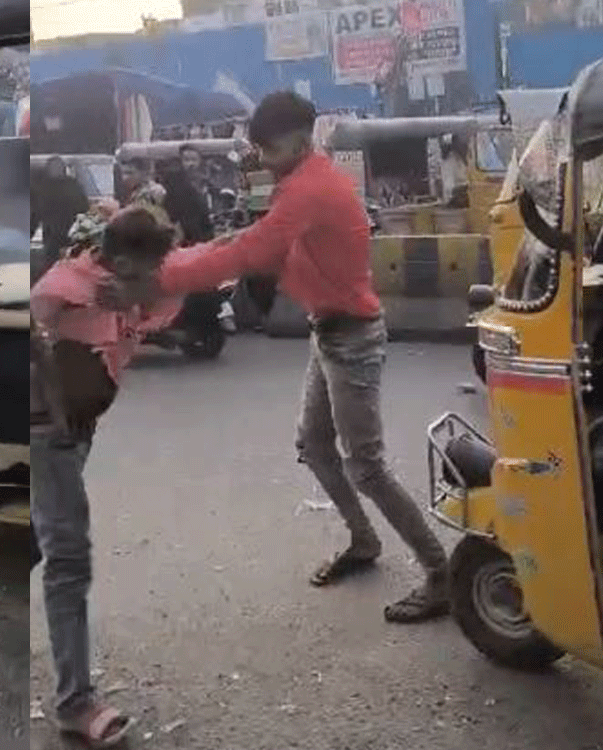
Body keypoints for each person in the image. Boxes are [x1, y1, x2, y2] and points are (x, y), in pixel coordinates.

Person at [108, 92, 451, 623]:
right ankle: (364, 542)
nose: (259, 158)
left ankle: (441, 573)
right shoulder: (302, 181)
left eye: (264, 148)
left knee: (367, 466)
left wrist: (157, 280)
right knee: (314, 445)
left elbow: (252, 254)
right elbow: (248, 240)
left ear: (294, 141)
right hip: (330, 331)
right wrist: (172, 262)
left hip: (351, 337)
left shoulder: (310, 188)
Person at [31, 206, 183, 748]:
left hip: (78, 429)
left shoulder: (137, 286)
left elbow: (174, 291)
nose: (155, 282)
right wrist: (48, 393)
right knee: (68, 559)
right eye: (145, 272)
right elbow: (25, 320)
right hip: (47, 430)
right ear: (118, 262)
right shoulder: (68, 283)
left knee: (48, 536)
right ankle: (74, 703)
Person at [31, 156, 89, 279]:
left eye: (57, 168)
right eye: (53, 168)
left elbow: (83, 208)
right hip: (54, 234)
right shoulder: (44, 187)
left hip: (69, 232)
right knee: (53, 265)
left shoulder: (71, 186)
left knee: (66, 266)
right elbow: (36, 213)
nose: (55, 171)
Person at [159, 146, 214, 246]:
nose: (191, 164)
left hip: (204, 236)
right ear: (181, 162)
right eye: (186, 160)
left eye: (194, 160)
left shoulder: (207, 184)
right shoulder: (174, 185)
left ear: (200, 162)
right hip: (183, 235)